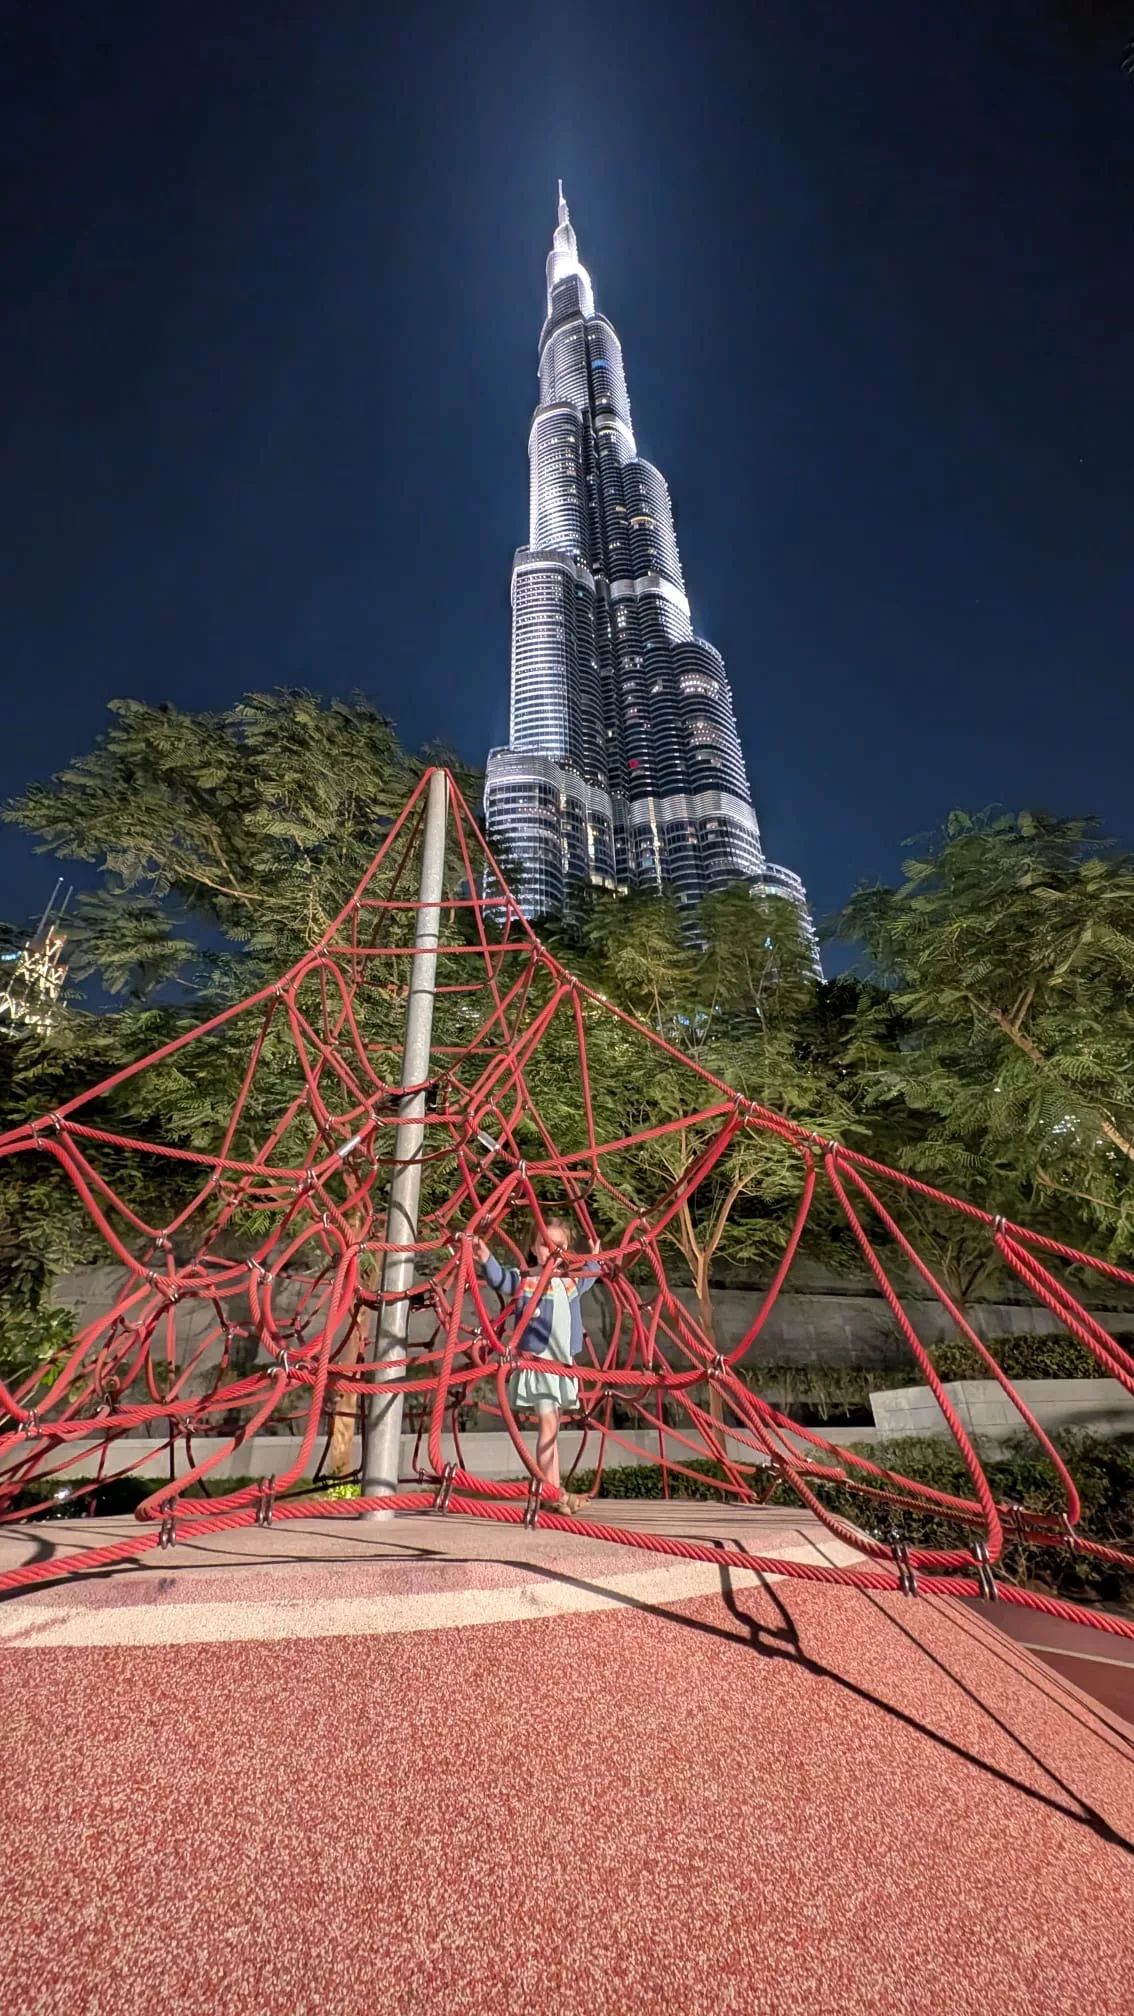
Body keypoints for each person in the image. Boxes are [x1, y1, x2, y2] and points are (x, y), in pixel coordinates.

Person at [472, 1216, 601, 1514]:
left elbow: (591, 1277)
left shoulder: (570, 1284)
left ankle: (555, 1490)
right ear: (533, 1247)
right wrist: (486, 1257)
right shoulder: (527, 1282)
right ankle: (552, 1493)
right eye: (545, 1244)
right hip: (538, 1366)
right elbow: (501, 1279)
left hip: (561, 1368)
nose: (552, 1251)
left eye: (560, 1246)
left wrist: (594, 1256)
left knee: (553, 1430)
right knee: (547, 1425)